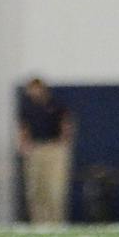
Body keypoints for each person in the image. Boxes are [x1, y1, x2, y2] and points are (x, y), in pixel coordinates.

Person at [17, 76, 74, 224]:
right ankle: (38, 222)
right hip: (36, 148)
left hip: (53, 148)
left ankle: (56, 221)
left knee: (54, 188)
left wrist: (63, 143)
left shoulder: (56, 104)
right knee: (35, 189)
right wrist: (24, 144)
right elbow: (24, 128)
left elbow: (66, 123)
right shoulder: (27, 107)